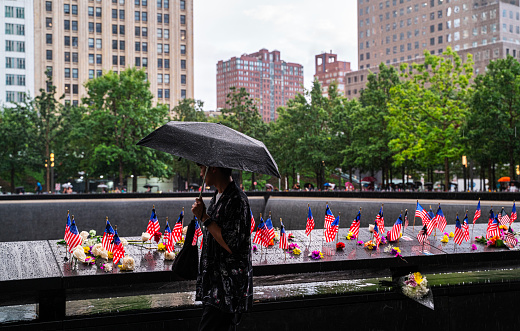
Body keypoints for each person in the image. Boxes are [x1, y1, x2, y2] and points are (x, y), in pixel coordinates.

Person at [191, 165, 253, 331]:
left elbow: (231, 243)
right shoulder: (217, 197)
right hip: (213, 283)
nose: (201, 173)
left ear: (214, 169)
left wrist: (204, 216)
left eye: (203, 168)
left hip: (227, 289)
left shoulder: (237, 200)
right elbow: (213, 233)